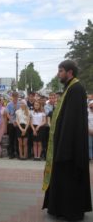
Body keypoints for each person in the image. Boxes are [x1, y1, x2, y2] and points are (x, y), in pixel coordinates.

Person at [42, 60, 92, 220]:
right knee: (62, 178)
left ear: (70, 72)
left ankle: (70, 211)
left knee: (69, 178)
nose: (58, 74)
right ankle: (60, 208)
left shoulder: (76, 89)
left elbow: (72, 123)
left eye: (61, 71)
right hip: (64, 144)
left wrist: (63, 148)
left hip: (70, 148)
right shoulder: (69, 88)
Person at [6, 92, 20, 159]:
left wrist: (17, 122)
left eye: (16, 96)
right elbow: (8, 114)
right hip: (11, 123)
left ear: (18, 97)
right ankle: (11, 153)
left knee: (17, 139)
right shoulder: (9, 104)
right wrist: (12, 121)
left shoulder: (20, 104)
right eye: (14, 96)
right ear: (12, 97)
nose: (15, 98)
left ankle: (17, 152)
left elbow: (21, 113)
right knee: (11, 139)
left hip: (18, 123)